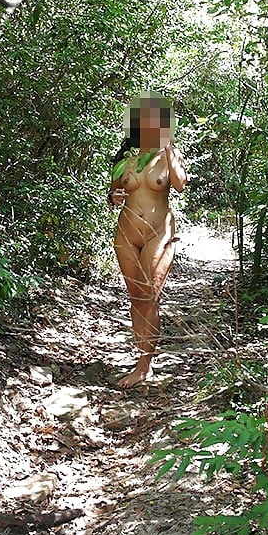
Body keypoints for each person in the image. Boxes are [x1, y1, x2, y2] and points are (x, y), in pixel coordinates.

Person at [108, 92, 187, 389]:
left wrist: (168, 148)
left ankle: (145, 365)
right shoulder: (126, 160)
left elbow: (180, 185)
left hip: (159, 233)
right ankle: (141, 357)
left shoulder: (170, 155)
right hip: (126, 234)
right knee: (135, 297)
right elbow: (113, 193)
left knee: (149, 295)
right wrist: (114, 196)